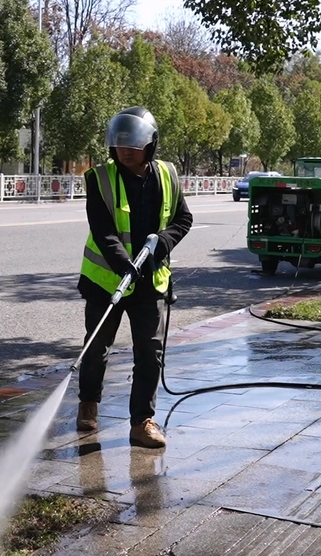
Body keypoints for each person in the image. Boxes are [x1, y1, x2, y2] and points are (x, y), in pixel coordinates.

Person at [76, 106, 193, 449]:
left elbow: (182, 220)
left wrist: (162, 244)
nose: (125, 150)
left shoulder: (168, 175)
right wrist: (123, 263)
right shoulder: (99, 178)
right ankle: (88, 402)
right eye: (120, 144)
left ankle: (142, 422)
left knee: (150, 350)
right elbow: (102, 229)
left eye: (134, 144)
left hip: (149, 281)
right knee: (97, 346)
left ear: (150, 145)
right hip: (105, 279)